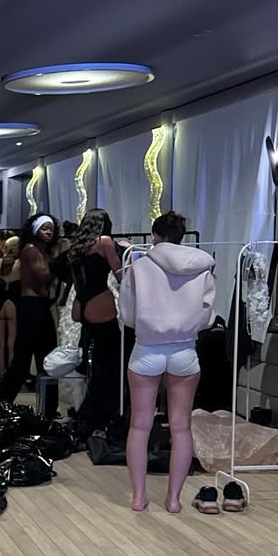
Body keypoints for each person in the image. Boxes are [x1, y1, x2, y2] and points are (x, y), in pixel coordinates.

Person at [118, 210, 214, 514]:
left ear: (154, 236)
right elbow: (207, 316)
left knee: (140, 425)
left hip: (147, 349)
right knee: (181, 428)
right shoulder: (201, 268)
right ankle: (173, 500)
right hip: (185, 350)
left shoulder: (139, 267)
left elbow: (127, 314)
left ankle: (138, 497)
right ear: (181, 237)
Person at [0, 215, 61, 417]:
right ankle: (1, 402)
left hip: (39, 306)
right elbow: (43, 277)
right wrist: (61, 263)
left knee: (46, 359)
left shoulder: (41, 250)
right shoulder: (31, 249)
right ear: (34, 230)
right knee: (24, 359)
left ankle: (48, 408)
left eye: (51, 229)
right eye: (44, 228)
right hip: (32, 306)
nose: (48, 232)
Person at [67, 210, 123, 436]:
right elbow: (120, 274)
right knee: (109, 365)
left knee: (97, 363)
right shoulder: (105, 242)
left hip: (81, 304)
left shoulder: (77, 245)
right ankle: (96, 417)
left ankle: (88, 417)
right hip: (100, 302)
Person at [0, 236, 21, 379]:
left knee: (0, 343)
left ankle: (1, 373)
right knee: (12, 342)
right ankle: (12, 375)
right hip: (13, 304)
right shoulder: (20, 263)